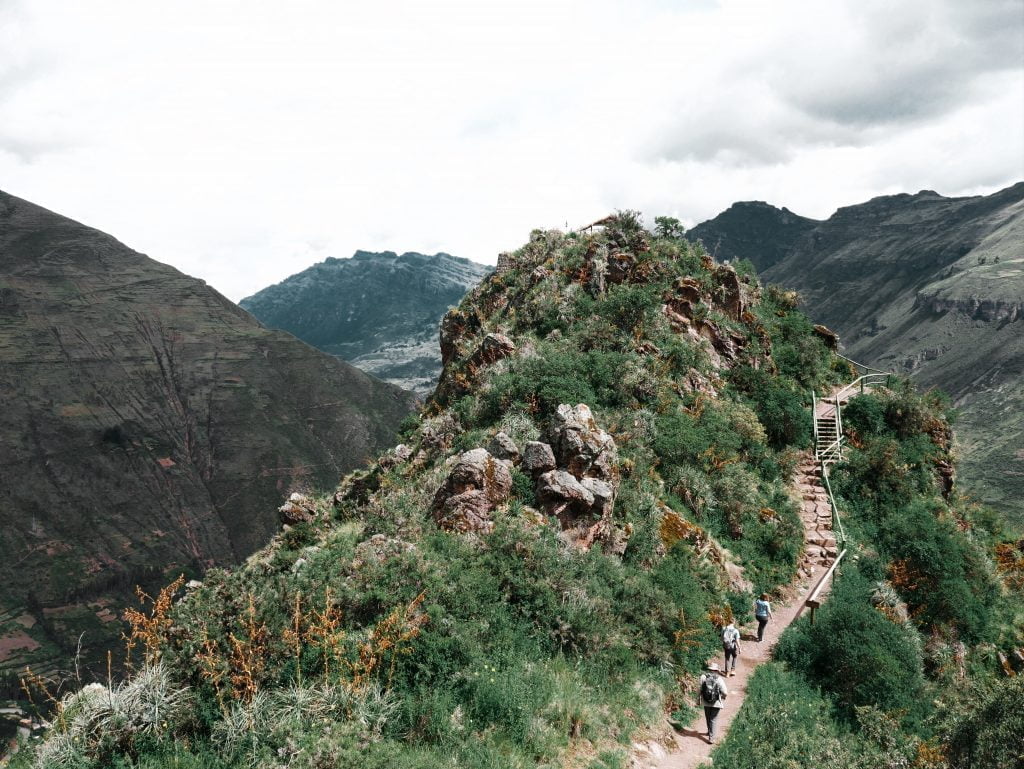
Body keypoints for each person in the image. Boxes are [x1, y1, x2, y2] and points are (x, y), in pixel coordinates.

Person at [698, 662, 728, 744]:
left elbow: (699, 690)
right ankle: (712, 738)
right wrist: (723, 697)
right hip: (716, 702)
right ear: (716, 670)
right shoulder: (719, 679)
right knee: (713, 719)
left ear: (709, 669)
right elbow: (725, 692)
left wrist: (698, 699)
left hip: (706, 701)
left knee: (708, 717)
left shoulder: (703, 677)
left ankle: (709, 731)